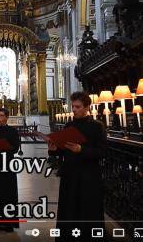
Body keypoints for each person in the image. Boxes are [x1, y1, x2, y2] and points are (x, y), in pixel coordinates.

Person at [42, 92, 107, 241]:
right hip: (70, 174)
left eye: (77, 107)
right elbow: (63, 148)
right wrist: (53, 149)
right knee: (68, 208)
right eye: (73, 107)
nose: (74, 110)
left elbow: (102, 152)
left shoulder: (97, 127)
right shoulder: (69, 125)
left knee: (87, 209)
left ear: (87, 107)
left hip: (89, 176)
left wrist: (81, 150)